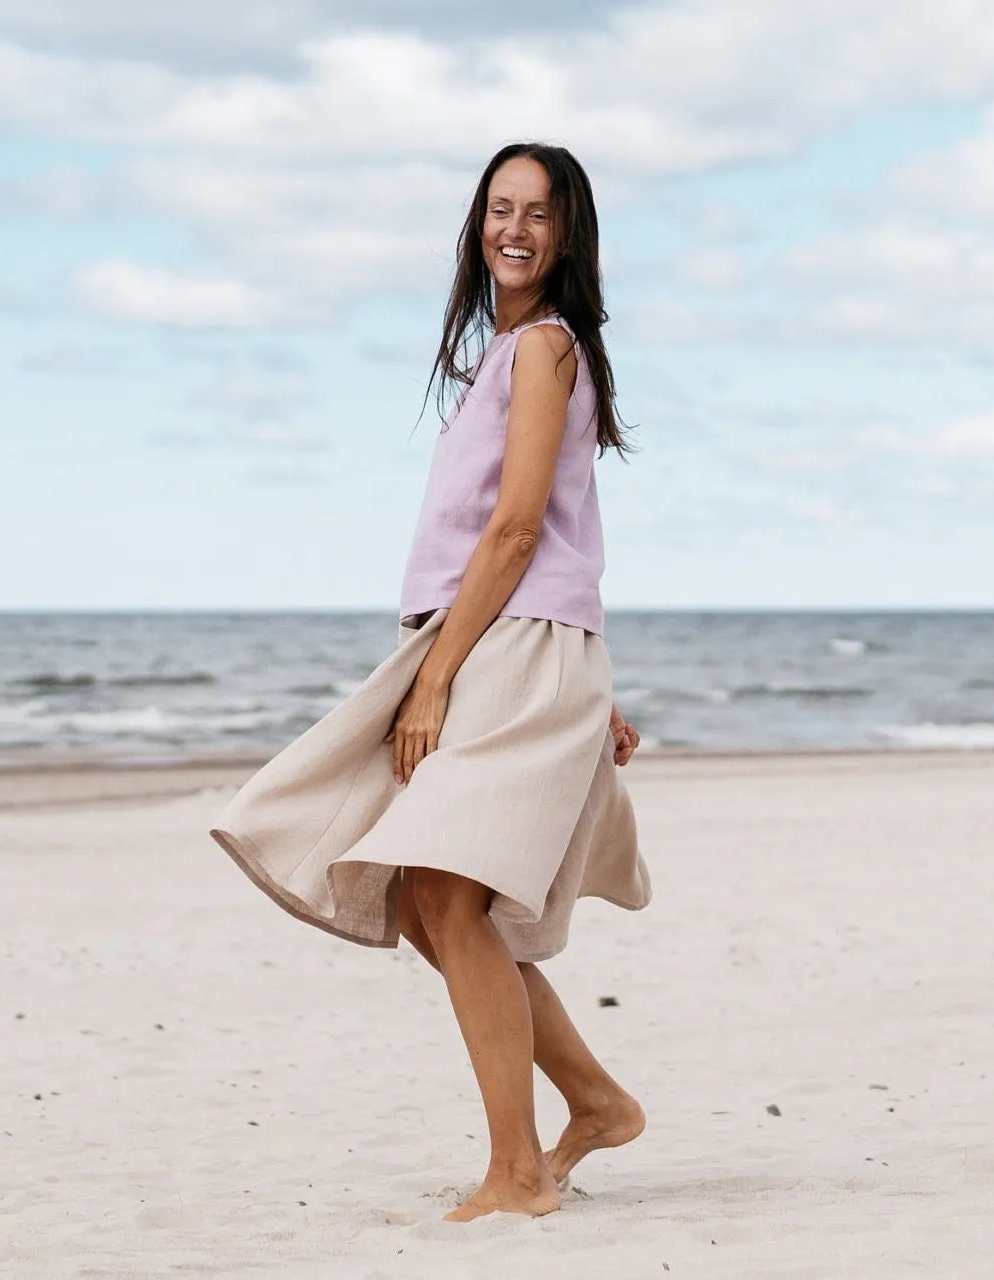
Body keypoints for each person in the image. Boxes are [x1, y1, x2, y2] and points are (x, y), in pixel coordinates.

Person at [210, 142, 650, 1222]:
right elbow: (557, 535)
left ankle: (516, 1170)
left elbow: (513, 533)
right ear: (475, 228)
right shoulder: (499, 359)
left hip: (498, 643)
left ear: (568, 234)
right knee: (426, 900)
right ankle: (590, 1100)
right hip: (500, 639)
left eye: (537, 213)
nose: (514, 227)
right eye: (498, 208)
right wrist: (578, 678)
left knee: (444, 893)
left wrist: (437, 680)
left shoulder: (547, 349)